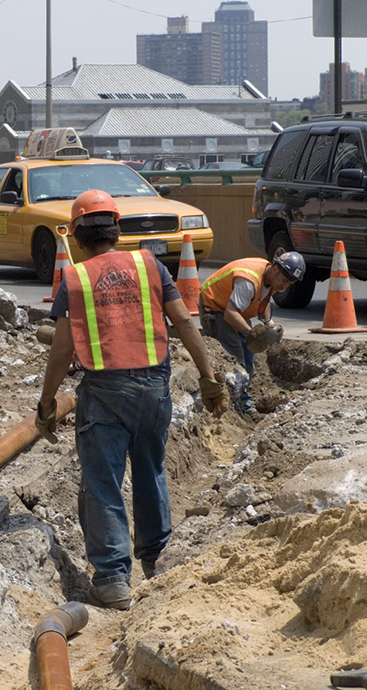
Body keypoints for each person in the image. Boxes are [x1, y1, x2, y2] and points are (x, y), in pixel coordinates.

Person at [36, 190, 227, 611]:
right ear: (117, 230)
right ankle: (158, 564)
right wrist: (209, 377)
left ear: (78, 236)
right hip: (155, 388)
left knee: (103, 484)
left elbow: (63, 350)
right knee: (151, 471)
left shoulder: (77, 278)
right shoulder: (150, 265)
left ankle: (112, 581)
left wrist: (47, 403)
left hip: (104, 393)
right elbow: (183, 321)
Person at [198, 251, 305, 413]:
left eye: (289, 284)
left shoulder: (272, 278)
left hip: (237, 310)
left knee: (249, 358)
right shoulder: (248, 281)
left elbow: (264, 300)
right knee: (234, 358)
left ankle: (243, 400)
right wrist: (252, 333)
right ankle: (231, 405)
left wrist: (269, 323)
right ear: (275, 268)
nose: (284, 286)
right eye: (284, 281)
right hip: (216, 308)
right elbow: (230, 314)